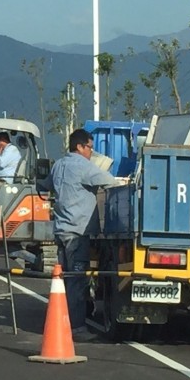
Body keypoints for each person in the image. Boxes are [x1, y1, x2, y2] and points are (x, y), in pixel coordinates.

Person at [40, 128, 117, 341]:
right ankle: (76, 328)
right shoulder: (84, 166)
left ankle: (63, 319)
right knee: (76, 280)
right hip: (78, 231)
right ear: (79, 146)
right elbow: (110, 181)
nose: (91, 152)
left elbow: (44, 185)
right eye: (89, 148)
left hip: (62, 230)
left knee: (64, 278)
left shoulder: (58, 165)